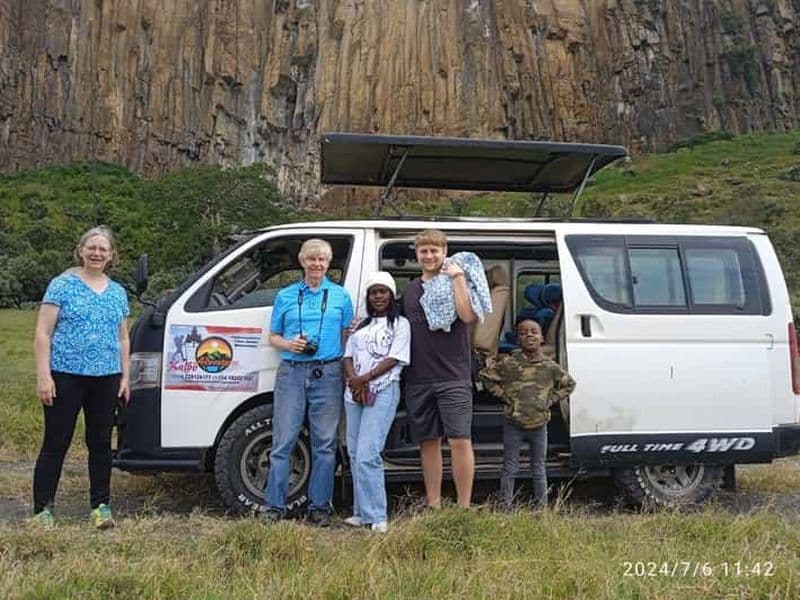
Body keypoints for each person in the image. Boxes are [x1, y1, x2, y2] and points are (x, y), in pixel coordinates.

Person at [31, 226, 130, 529]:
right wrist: (43, 375)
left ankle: (100, 507)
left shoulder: (117, 292)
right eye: (92, 248)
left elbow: (123, 338)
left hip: (106, 378)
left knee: (100, 443)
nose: (97, 253)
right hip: (65, 376)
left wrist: (125, 377)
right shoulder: (62, 285)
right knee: (56, 441)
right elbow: (42, 333)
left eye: (103, 249)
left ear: (111, 255)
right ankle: (42, 510)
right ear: (81, 250)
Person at [264, 238, 354, 526]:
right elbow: (273, 337)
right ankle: (274, 507)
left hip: (328, 373)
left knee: (325, 444)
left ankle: (320, 508)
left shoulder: (341, 296)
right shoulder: (286, 296)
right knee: (283, 442)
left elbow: (347, 338)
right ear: (302, 262)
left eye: (322, 260)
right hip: (292, 371)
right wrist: (290, 345)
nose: (316, 264)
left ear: (328, 264)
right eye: (311, 259)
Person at [402, 229, 477, 509]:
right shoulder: (409, 291)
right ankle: (433, 504)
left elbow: (467, 315)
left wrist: (457, 277)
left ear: (444, 252)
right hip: (419, 378)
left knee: (460, 440)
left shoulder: (456, 282)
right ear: (417, 255)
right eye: (424, 251)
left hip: (453, 377)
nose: (429, 256)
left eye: (435, 250)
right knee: (428, 443)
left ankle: (463, 508)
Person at [480, 318, 576, 508]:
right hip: (513, 423)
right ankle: (505, 508)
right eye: (523, 333)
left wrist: (550, 400)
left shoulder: (550, 367)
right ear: (518, 339)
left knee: (539, 468)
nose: (529, 335)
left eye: (534, 332)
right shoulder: (509, 363)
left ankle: (543, 510)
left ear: (541, 338)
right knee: (510, 468)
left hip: (539, 425)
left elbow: (569, 384)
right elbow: (486, 376)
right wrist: (505, 396)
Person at [342, 272, 410, 533]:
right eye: (373, 292)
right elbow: (347, 355)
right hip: (354, 393)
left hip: (382, 389)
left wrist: (366, 379)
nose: (378, 296)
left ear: (391, 295)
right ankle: (360, 513)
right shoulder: (360, 324)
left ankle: (377, 515)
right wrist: (353, 380)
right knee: (354, 452)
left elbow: (395, 357)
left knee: (369, 453)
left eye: (383, 291)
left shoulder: (400, 324)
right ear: (368, 297)